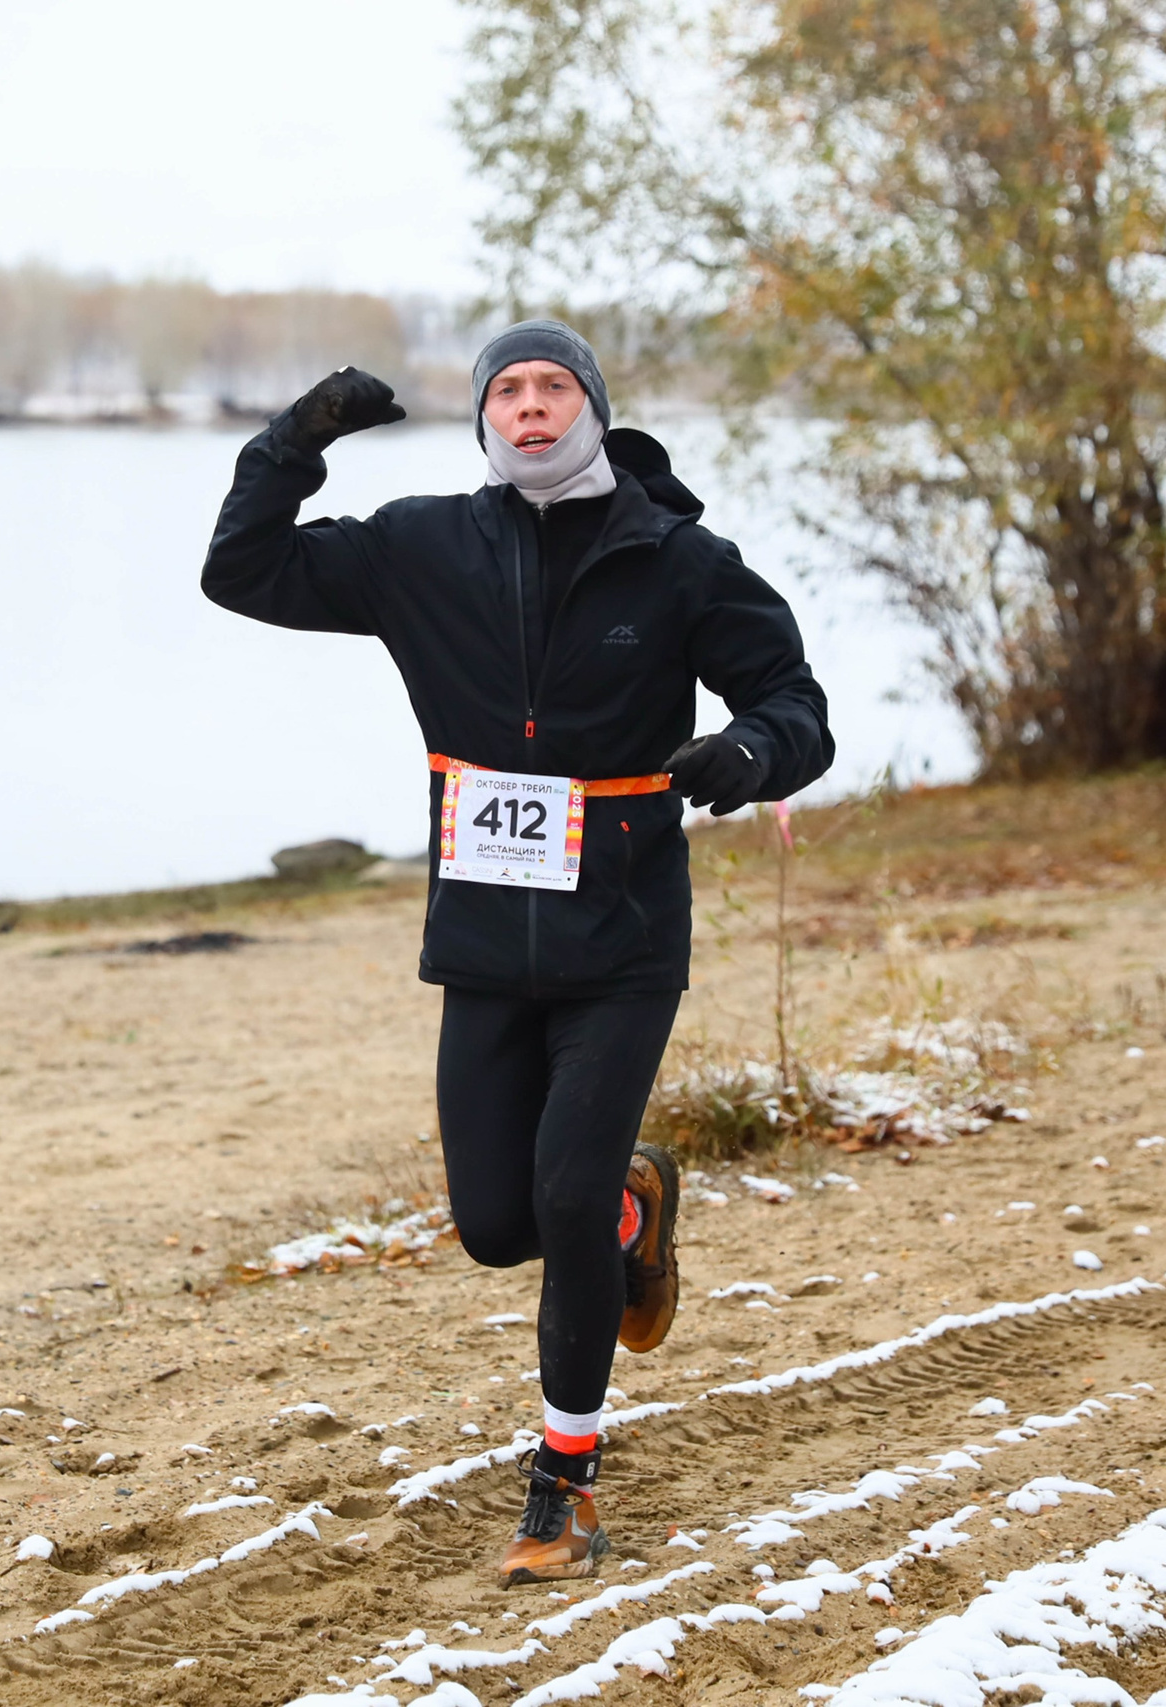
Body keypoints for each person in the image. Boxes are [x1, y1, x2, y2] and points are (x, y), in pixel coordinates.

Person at [201, 320, 833, 1582]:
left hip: (625, 936)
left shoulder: (680, 561)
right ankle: (627, 1207)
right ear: (485, 421)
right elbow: (241, 573)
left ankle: (566, 1485)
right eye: (510, 391)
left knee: (555, 1195)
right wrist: (298, 438)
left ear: (591, 410)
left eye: (555, 389)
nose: (532, 408)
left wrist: (750, 753)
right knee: (498, 1226)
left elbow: (795, 707)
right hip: (485, 940)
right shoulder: (421, 546)